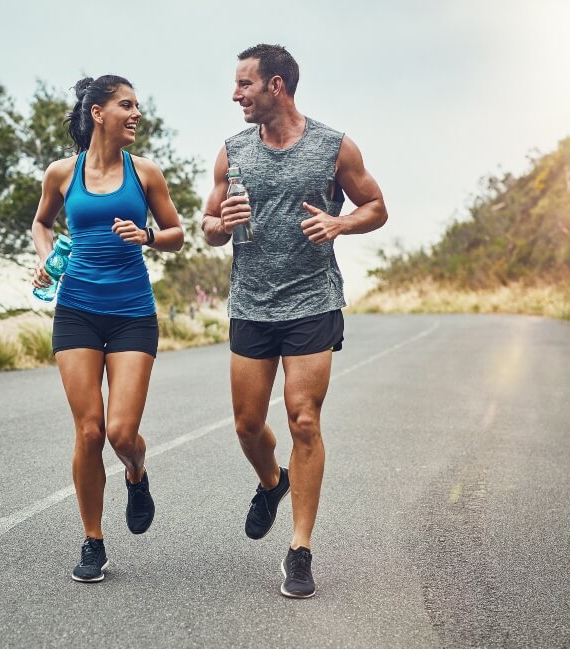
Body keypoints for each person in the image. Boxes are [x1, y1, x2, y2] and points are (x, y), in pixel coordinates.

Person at [201, 44, 388, 598]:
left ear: (276, 86)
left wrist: (339, 224)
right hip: (252, 303)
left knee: (303, 419)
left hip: (312, 300)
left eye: (245, 85)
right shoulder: (232, 152)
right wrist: (219, 224)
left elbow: (375, 206)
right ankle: (271, 481)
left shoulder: (333, 146)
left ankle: (300, 549)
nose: (236, 95)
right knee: (246, 424)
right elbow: (208, 225)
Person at [31, 74, 185, 583]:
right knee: (90, 430)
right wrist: (47, 258)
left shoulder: (146, 174)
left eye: (138, 105)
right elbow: (42, 223)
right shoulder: (61, 172)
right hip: (75, 309)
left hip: (132, 313)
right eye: (127, 104)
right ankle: (93, 541)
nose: (136, 113)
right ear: (98, 113)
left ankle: (136, 473)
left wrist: (145, 234)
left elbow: (177, 235)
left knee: (120, 431)